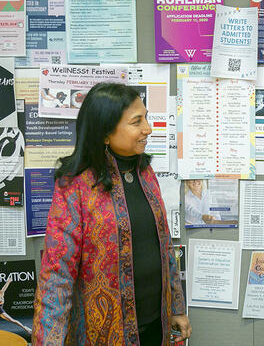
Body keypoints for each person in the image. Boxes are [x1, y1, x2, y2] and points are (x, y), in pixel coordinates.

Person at [33, 83, 190, 345]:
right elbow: (56, 275)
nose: (148, 129)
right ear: (105, 133)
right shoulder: (75, 187)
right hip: (104, 335)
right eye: (136, 121)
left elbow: (165, 247)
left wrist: (177, 307)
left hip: (155, 326)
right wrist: (48, 342)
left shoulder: (146, 174)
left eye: (146, 117)